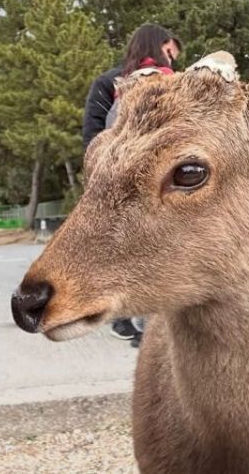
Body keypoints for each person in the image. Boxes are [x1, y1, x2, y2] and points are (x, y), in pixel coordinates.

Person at [81, 24, 181, 347]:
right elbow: (93, 136)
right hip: (139, 185)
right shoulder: (111, 84)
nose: (174, 59)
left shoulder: (174, 83)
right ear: (156, 45)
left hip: (140, 184)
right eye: (170, 51)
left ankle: (147, 323)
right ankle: (135, 319)